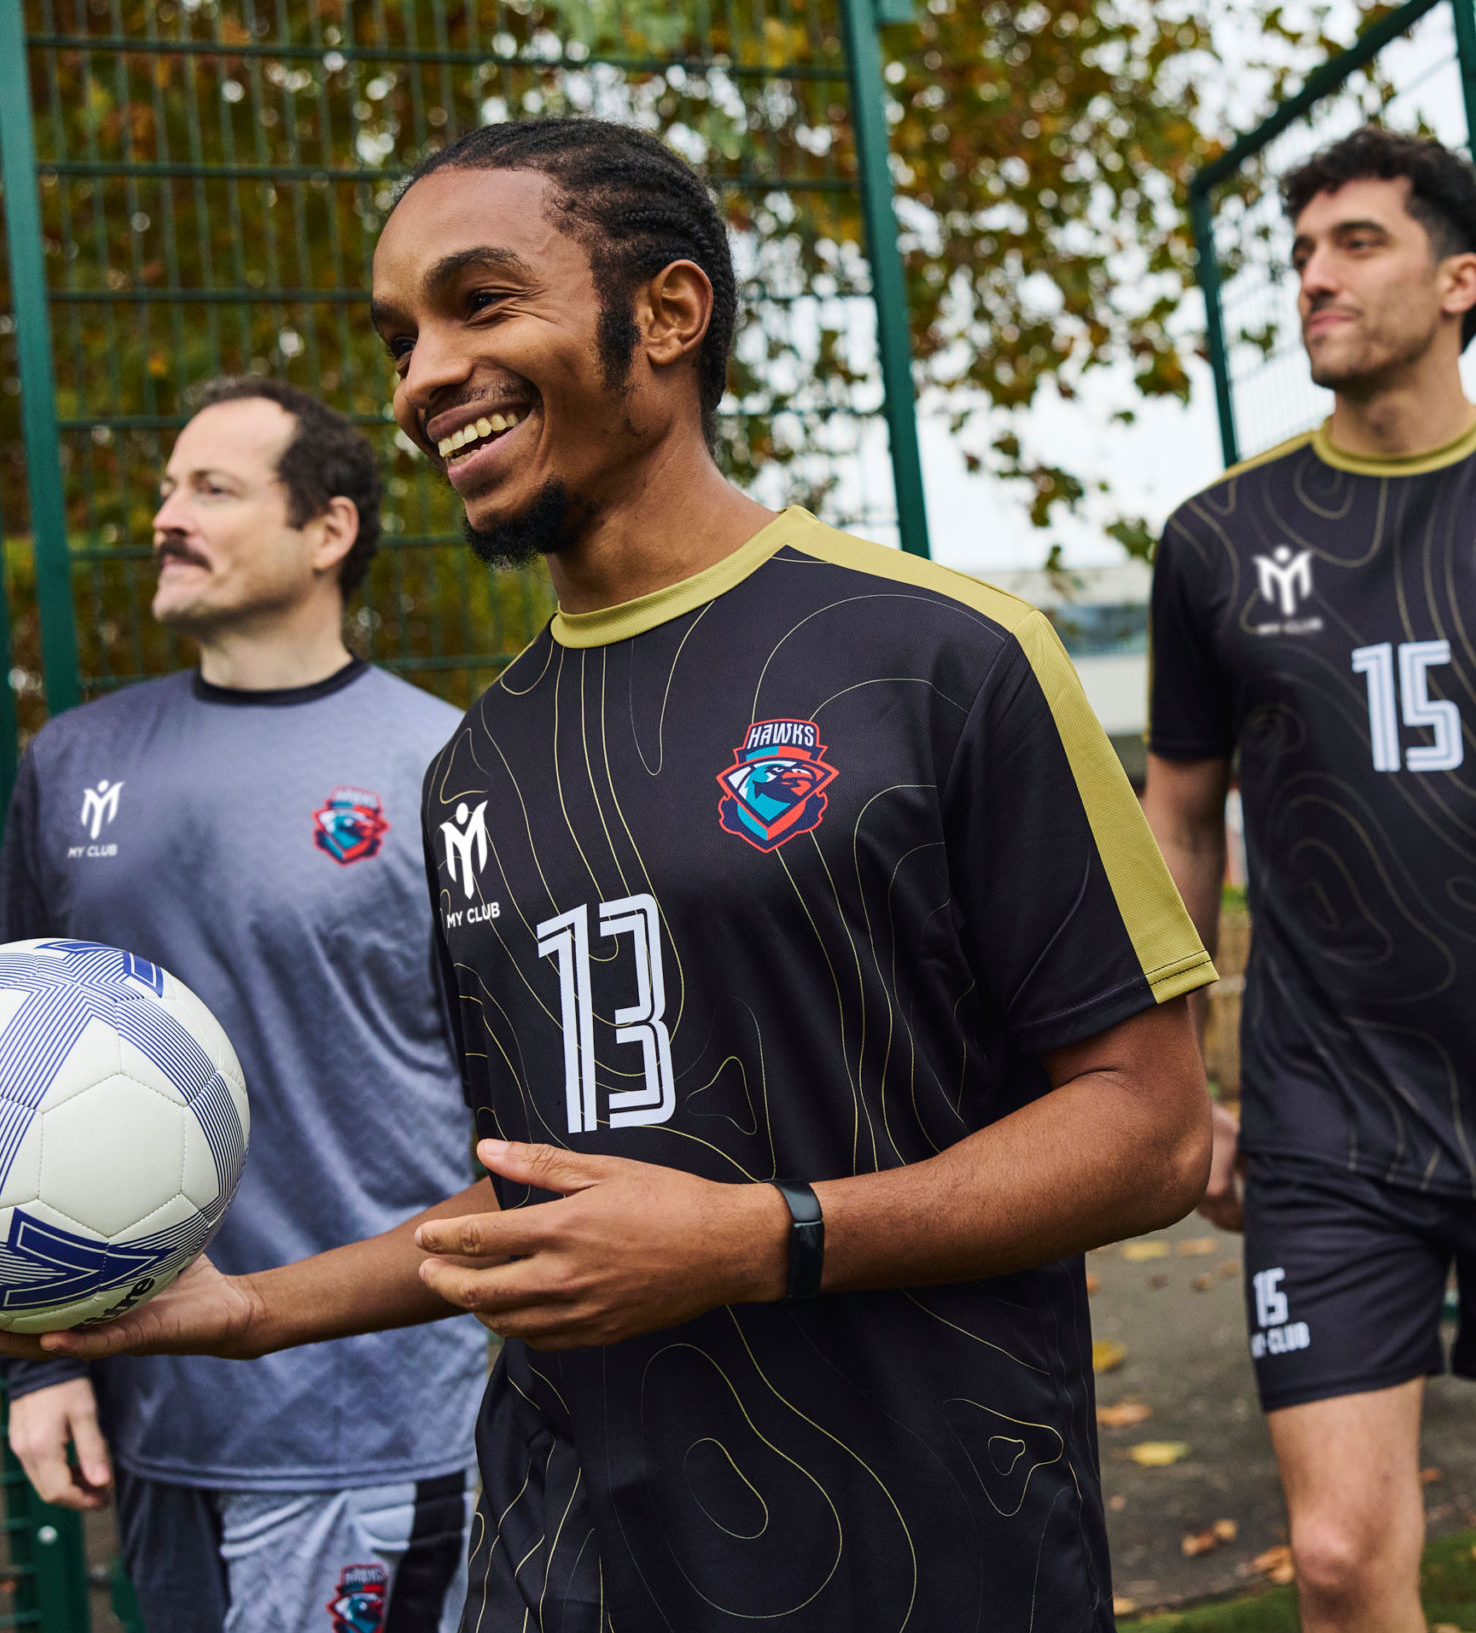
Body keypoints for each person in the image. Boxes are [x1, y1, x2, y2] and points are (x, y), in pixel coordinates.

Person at [3, 118, 1218, 1631]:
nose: (420, 375)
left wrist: (761, 1237)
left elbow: (1152, 1130)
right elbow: (527, 1200)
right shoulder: (473, 768)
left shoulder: (942, 657)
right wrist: (246, 1312)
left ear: (664, 313)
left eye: (478, 303)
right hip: (568, 1544)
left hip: (922, 1539)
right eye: (400, 336)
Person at [1141, 124, 1476, 1633]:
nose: (1312, 276)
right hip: (1328, 1117)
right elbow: (1178, 821)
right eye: (1300, 251)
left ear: (1460, 279)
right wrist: (1179, 1082)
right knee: (1333, 1556)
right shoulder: (1214, 538)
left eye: (1355, 244)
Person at [0, 379, 487, 1633]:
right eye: (168, 487)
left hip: (365, 1421)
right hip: (147, 1415)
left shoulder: (450, 769)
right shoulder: (74, 762)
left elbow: (524, 1110)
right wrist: (20, 1370)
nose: (167, 515)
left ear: (328, 531)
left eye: (211, 489)